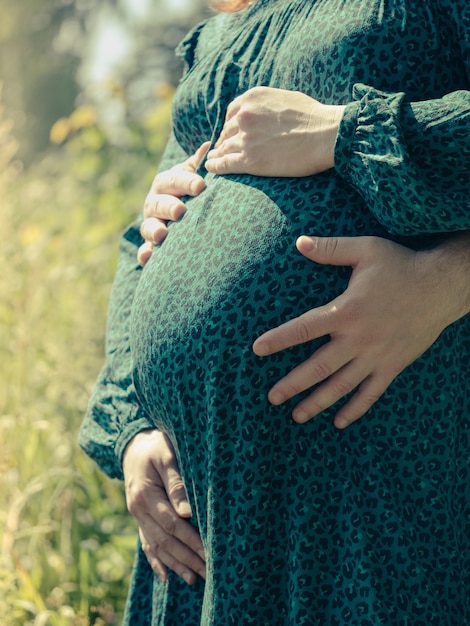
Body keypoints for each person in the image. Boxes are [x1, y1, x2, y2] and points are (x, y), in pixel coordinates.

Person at [79, 0, 470, 623]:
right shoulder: (219, 42)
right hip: (202, 523)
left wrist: (347, 135)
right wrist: (133, 429)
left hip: (369, 487)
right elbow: (142, 241)